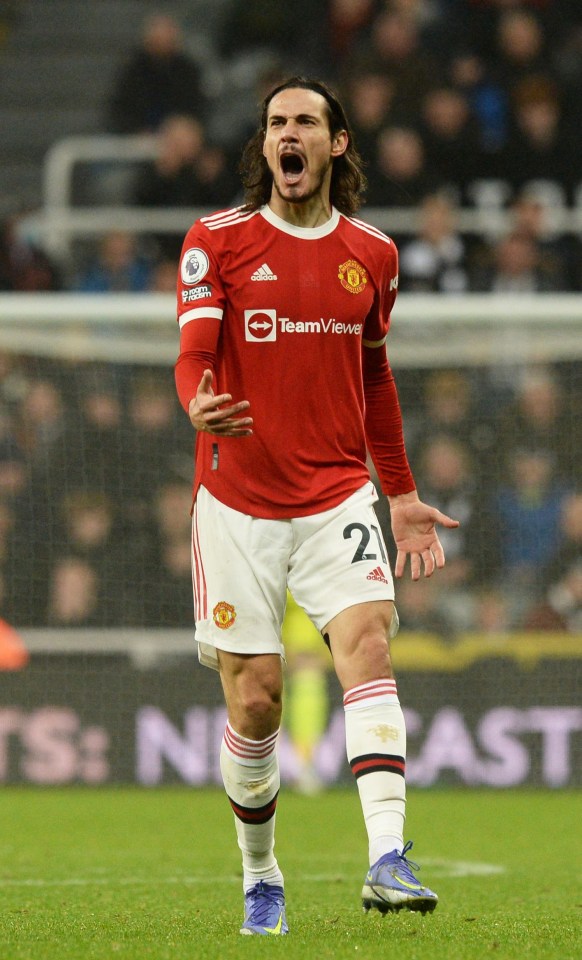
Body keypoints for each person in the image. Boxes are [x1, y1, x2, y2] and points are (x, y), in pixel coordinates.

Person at [174, 76, 459, 936]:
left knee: (368, 640)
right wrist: (195, 402)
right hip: (238, 500)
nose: (285, 135)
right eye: (274, 124)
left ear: (336, 144)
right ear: (264, 148)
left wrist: (401, 492)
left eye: (303, 122)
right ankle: (261, 873)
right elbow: (192, 356)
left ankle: (389, 858)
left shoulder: (373, 254)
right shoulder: (216, 242)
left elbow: (374, 377)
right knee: (255, 700)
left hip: (338, 491)